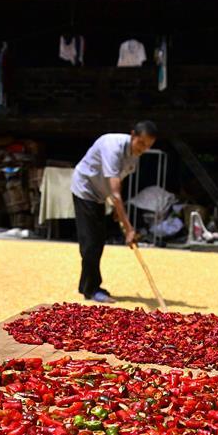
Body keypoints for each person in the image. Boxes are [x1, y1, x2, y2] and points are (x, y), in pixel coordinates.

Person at [71, 121, 157, 302]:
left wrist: (119, 211)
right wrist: (129, 228)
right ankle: (91, 289)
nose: (143, 148)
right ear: (133, 135)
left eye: (148, 146)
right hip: (85, 188)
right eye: (141, 143)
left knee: (98, 240)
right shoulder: (113, 147)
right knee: (90, 242)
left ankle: (86, 285)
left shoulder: (134, 154)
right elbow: (116, 194)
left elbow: (119, 181)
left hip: (101, 193)